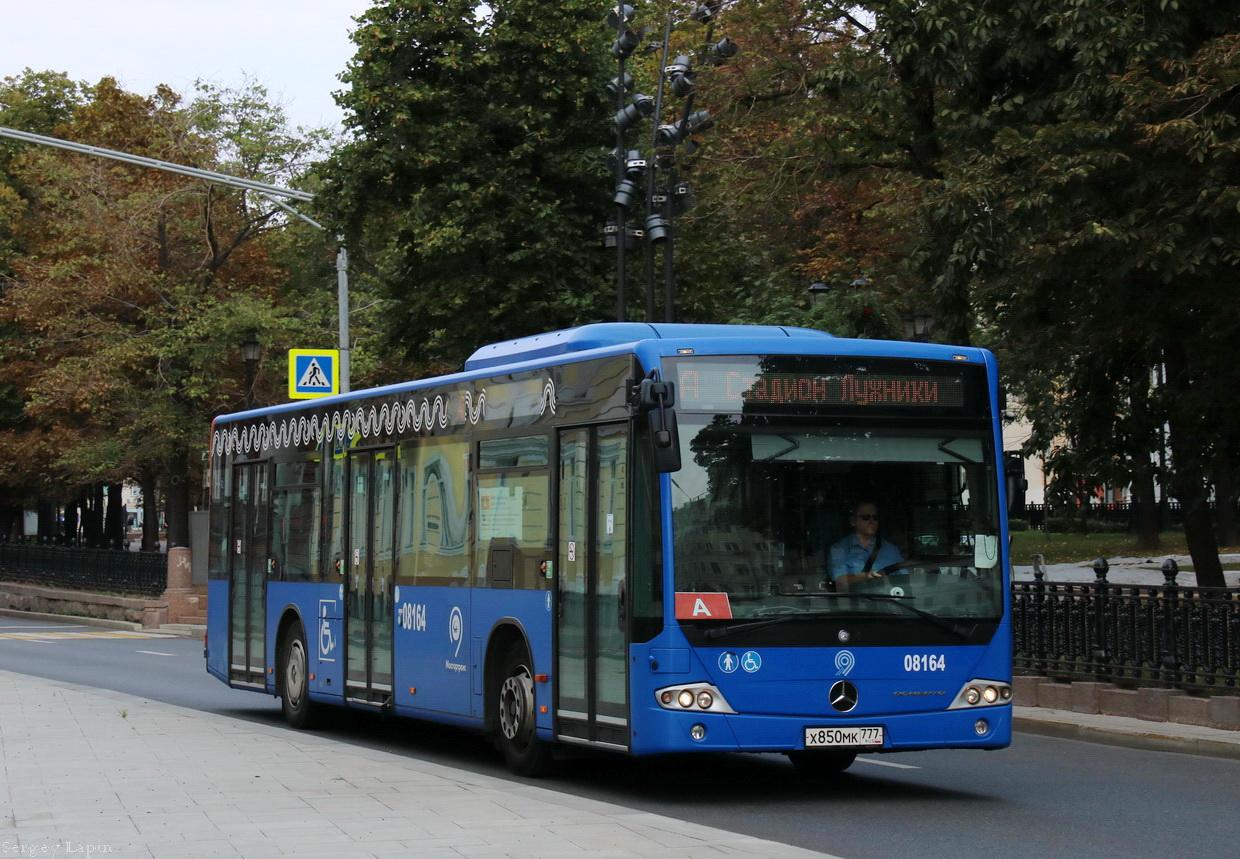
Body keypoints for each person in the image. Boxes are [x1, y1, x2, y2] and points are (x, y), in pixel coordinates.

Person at [828, 501, 903, 590]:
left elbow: (904, 579)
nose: (871, 521)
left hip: (887, 598)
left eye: (875, 518)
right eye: (866, 517)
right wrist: (867, 576)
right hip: (854, 598)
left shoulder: (892, 550)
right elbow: (839, 580)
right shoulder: (839, 549)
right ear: (853, 521)